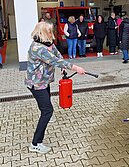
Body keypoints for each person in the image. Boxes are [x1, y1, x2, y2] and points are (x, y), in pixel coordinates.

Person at [25, 22, 85, 154]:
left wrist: (63, 67)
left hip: (44, 82)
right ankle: (35, 143)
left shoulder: (48, 43)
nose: (52, 34)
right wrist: (75, 68)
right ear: (42, 33)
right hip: (36, 84)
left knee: (46, 105)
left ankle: (47, 114)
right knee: (47, 111)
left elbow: (57, 55)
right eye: (49, 32)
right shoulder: (37, 48)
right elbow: (56, 61)